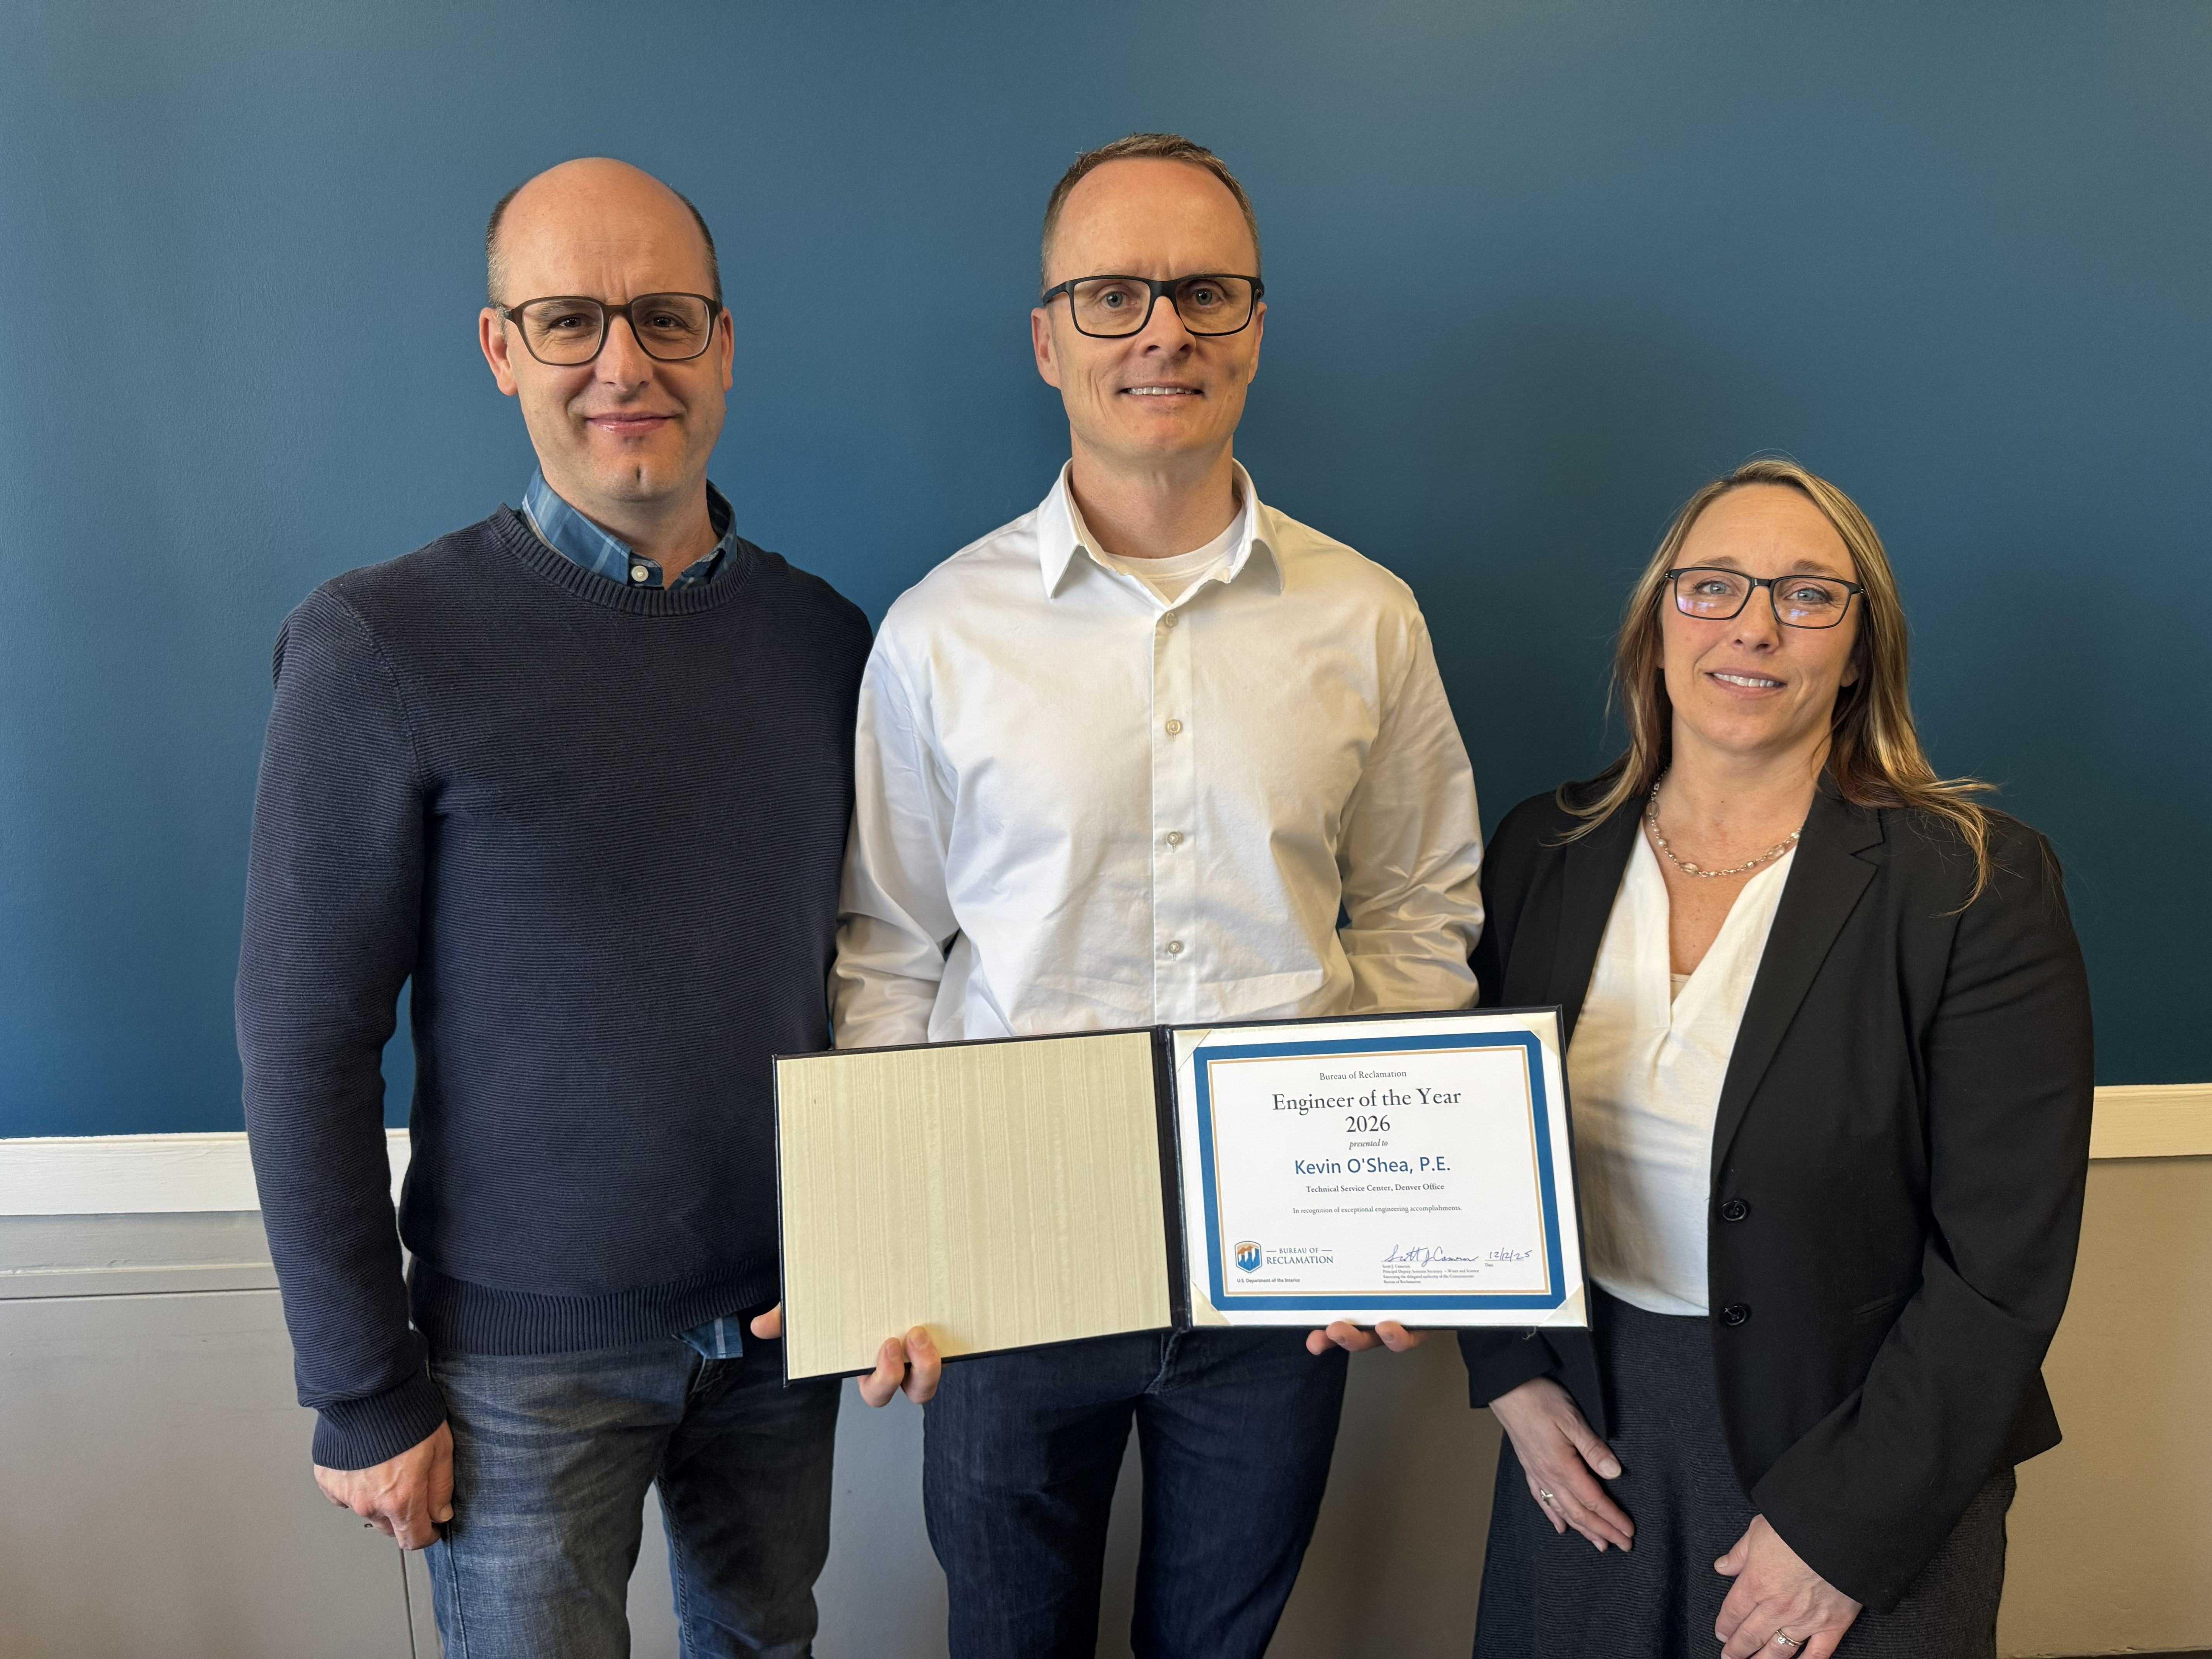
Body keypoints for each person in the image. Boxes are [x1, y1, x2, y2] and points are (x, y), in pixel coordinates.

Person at [824, 132, 1486, 1657]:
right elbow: (889, 951)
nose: (1163, 331)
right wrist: (895, 1243)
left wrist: (1385, 1214)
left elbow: (1417, 917)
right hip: (1003, 1260)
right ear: (1047, 339)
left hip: (1281, 1274)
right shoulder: (940, 633)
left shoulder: (1368, 621)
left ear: (1254, 327)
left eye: (1205, 292)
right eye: (1114, 295)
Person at [235, 158, 890, 1658]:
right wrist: (363, 1390)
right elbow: (303, 1039)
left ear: (724, 344)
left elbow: (877, 973)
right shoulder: (378, 645)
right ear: (500, 349)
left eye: (665, 318)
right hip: (514, 1372)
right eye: (569, 321)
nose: (623, 364)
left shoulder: (826, 644)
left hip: (787, 1332)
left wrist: (879, 1254)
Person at [1458, 459, 2094, 1658]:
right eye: (1713, 585)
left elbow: (2001, 1268)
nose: (1754, 625)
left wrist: (1846, 1531)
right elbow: (1472, 1149)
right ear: (1657, 626)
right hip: (1590, 1437)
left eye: (1808, 595)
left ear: (1858, 651)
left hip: (1869, 1452)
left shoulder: (1972, 881)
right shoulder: (1544, 848)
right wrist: (1510, 1374)